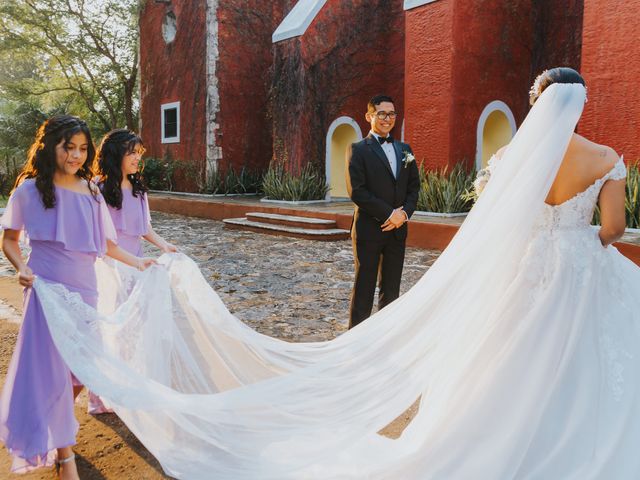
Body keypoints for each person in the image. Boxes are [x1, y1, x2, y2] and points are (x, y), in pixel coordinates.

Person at [17, 71, 640, 478]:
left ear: (536, 105)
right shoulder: (605, 159)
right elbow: (612, 232)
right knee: (583, 357)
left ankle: (499, 431)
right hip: (578, 271)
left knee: (509, 357)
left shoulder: (512, 160)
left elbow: (499, 220)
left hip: (527, 273)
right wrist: (577, 236)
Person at [0, 116, 155, 479]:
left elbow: (105, 244)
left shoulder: (92, 191)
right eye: (68, 147)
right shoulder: (28, 191)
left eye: (83, 148)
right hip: (47, 290)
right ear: (50, 146)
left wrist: (138, 261)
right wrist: (21, 267)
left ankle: (56, 424)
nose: (76, 155)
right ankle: (64, 455)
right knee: (54, 370)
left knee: (82, 372)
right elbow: (9, 239)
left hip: (86, 291)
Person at [345, 94, 421, 328]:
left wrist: (403, 215)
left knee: (391, 289)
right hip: (369, 229)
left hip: (397, 231)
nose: (388, 118)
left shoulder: (404, 149)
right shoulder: (357, 149)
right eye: (382, 113)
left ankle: (384, 338)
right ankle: (354, 340)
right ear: (369, 116)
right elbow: (357, 191)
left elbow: (414, 188)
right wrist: (389, 214)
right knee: (364, 287)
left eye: (392, 114)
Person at [94, 129, 177, 257]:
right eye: (133, 152)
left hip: (136, 262)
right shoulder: (97, 188)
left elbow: (144, 228)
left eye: (139, 153)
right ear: (116, 154)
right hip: (109, 264)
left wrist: (164, 245)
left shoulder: (138, 190)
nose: (138, 157)